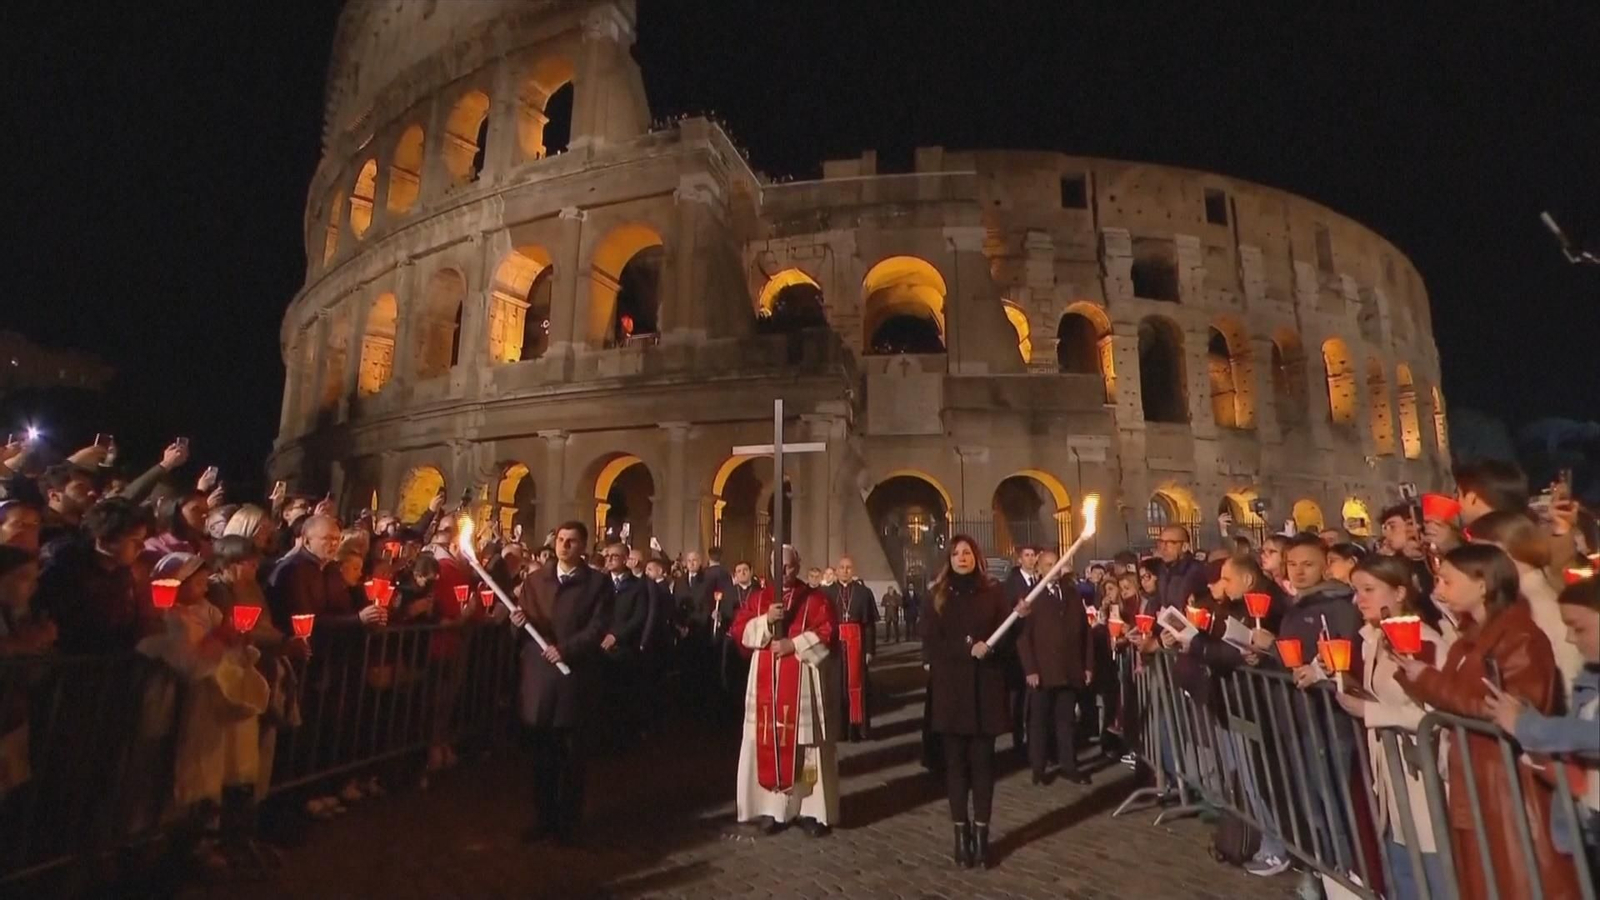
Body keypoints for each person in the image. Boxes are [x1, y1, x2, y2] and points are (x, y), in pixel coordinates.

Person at [1393, 543, 1580, 900]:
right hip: (1476, 778)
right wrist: (1416, 675)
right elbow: (1456, 696)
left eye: (1447, 581)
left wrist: (1427, 680)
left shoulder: (1520, 637)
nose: (1439, 590)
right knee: (1481, 878)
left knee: (1513, 878)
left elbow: (1504, 709)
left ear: (1482, 584)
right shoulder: (1469, 641)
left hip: (1508, 786)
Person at [1333, 554, 1455, 899]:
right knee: (1402, 866)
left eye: (1369, 589)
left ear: (1399, 592)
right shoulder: (1374, 638)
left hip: (1424, 773)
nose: (1360, 600)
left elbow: (1434, 712)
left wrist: (1369, 711)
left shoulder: (1424, 641)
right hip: (1393, 775)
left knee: (1433, 870)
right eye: (1356, 591)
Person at [1483, 575, 1599, 876]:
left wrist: (1528, 727)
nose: (1571, 639)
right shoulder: (1590, 677)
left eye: (1580, 627)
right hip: (1590, 822)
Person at [510, 521, 611, 846]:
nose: (564, 546)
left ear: (583, 546)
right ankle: (543, 818)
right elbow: (524, 627)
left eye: (572, 541)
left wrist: (566, 649)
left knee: (571, 754)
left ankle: (568, 821)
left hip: (574, 677)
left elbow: (597, 627)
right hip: (540, 679)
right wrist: (517, 623)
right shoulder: (535, 580)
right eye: (561, 540)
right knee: (542, 753)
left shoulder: (597, 583)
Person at [730, 544, 838, 838]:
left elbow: (828, 632)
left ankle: (810, 810)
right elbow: (739, 631)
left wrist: (794, 645)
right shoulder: (759, 597)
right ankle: (772, 808)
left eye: (789, 566)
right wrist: (766, 620)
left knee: (806, 746)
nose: (784, 572)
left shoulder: (814, 598)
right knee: (767, 742)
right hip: (766, 680)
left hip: (801, 677)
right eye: (778, 566)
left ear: (798, 565)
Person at [924, 535, 1018, 869]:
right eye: (955, 553)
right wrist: (967, 649)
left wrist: (1014, 622)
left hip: (985, 692)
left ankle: (982, 836)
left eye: (967, 553)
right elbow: (932, 644)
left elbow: (1007, 639)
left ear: (976, 557)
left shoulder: (993, 593)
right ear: (948, 559)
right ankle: (959, 834)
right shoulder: (937, 596)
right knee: (956, 769)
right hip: (951, 694)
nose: (961, 558)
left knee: (983, 768)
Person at [1017, 547, 1092, 786]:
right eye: (1049, 565)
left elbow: (1085, 633)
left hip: (1069, 669)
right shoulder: (1031, 597)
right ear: (1038, 568)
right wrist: (1030, 669)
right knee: (1039, 722)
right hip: (1043, 671)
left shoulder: (1071, 593)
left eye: (1057, 564)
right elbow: (1023, 637)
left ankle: (1069, 765)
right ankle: (1038, 768)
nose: (1054, 569)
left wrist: (1087, 665)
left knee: (1066, 721)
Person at [600, 541, 648, 748]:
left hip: (624, 648)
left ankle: (623, 739)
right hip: (599, 647)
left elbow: (639, 617)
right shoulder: (601, 584)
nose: (609, 560)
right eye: (607, 556)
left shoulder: (638, 587)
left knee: (624, 696)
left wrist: (616, 636)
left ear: (625, 559)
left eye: (615, 556)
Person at [827, 555, 877, 741]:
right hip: (836, 647)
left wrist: (870, 651)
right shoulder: (828, 592)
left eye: (849, 567)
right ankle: (838, 730)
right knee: (836, 687)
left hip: (857, 644)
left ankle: (858, 730)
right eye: (842, 567)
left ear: (853, 570)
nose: (845, 571)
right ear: (837, 570)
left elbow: (869, 625)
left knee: (858, 687)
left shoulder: (864, 592)